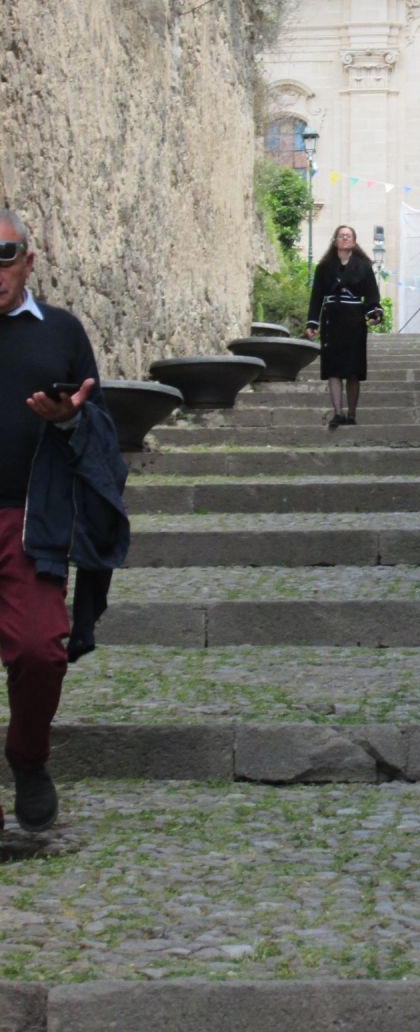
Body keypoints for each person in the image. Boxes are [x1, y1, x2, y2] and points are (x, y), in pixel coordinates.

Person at [0, 209, 129, 836]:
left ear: (28, 261)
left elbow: (100, 427)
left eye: (5, 253)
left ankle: (27, 759)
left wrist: (68, 419)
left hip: (29, 519)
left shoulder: (61, 331)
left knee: (38, 650)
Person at [305, 225, 383, 429]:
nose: (345, 238)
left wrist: (374, 312)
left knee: (353, 370)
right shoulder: (323, 267)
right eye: (341, 236)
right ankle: (338, 413)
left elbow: (372, 295)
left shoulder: (364, 267)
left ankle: (352, 413)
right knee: (333, 369)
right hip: (332, 319)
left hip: (354, 321)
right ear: (335, 241)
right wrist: (313, 321)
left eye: (348, 236)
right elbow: (316, 298)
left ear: (354, 242)